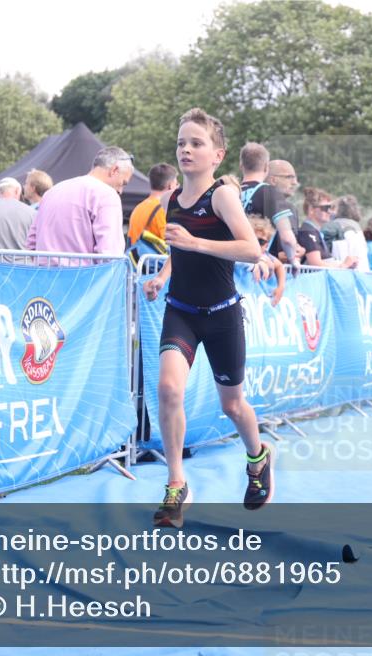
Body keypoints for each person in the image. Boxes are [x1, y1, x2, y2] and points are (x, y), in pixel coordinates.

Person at [142, 108, 276, 528]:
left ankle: (257, 459)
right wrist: (164, 274)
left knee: (233, 405)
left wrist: (197, 243)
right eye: (181, 142)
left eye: (196, 143)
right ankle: (176, 484)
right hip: (180, 310)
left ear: (217, 155)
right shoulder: (169, 199)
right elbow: (177, 248)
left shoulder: (222, 195)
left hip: (221, 315)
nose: (186, 149)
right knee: (167, 389)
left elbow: (251, 249)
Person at [26, 147, 133, 264]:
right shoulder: (107, 195)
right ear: (114, 170)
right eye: (123, 183)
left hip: (44, 276)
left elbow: (31, 242)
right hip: (83, 278)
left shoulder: (52, 191)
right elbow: (110, 254)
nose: (121, 191)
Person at [238, 145, 300, 269]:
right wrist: (293, 260)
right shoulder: (270, 192)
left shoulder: (229, 191)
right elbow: (287, 238)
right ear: (266, 167)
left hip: (229, 265)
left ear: (241, 166)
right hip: (260, 268)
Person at [298, 187, 357, 269]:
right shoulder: (308, 231)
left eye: (331, 208)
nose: (330, 212)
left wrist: (344, 265)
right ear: (311, 209)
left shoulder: (314, 231)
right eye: (325, 208)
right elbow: (315, 264)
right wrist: (343, 265)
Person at [128, 163, 178, 247]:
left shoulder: (139, 207)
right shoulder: (163, 208)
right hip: (155, 259)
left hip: (137, 257)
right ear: (170, 185)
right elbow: (170, 242)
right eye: (176, 184)